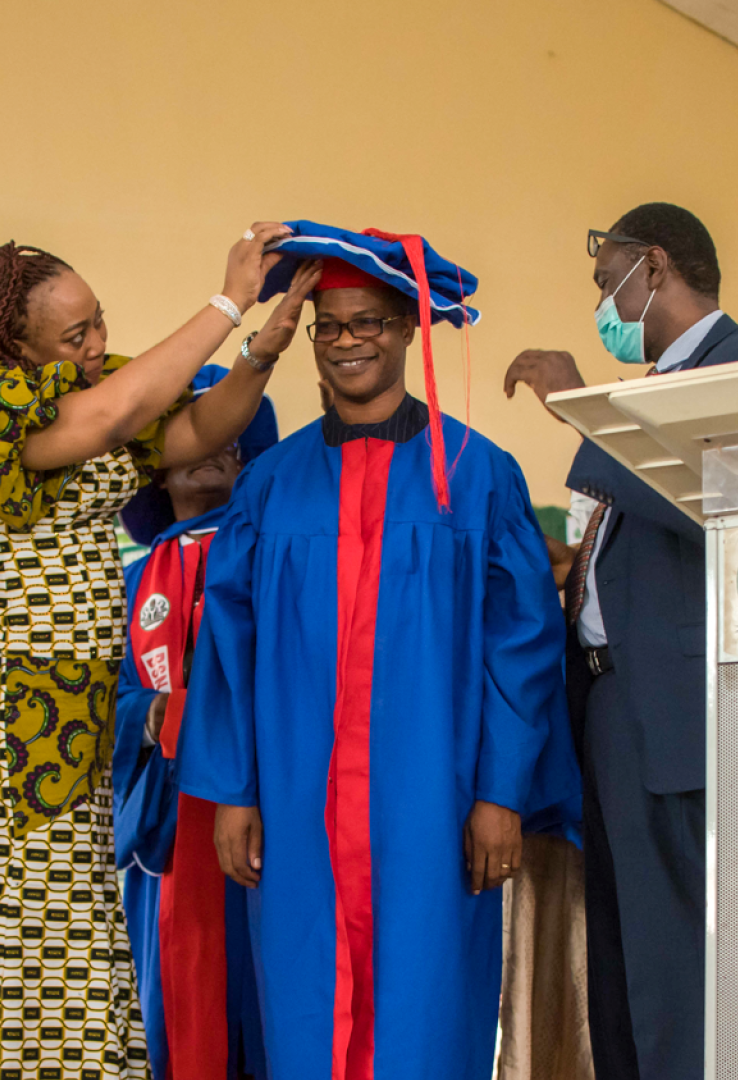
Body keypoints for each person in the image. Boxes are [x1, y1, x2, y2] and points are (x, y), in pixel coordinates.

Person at [0, 226, 316, 1079]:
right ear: (10, 344)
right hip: (10, 698)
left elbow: (197, 427)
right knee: (42, 920)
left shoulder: (86, 397)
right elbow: (120, 411)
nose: (97, 345)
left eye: (99, 324)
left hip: (70, 700)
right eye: (74, 334)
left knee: (64, 916)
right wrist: (228, 302)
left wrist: (261, 354)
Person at [178, 223, 581, 1080]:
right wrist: (233, 791)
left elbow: (523, 646)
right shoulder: (270, 485)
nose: (349, 341)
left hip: (430, 804)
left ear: (406, 329)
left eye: (368, 323)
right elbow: (228, 646)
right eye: (332, 326)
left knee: (426, 1014)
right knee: (301, 1007)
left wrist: (500, 793)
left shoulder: (478, 474)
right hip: (295, 800)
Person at [501, 202, 738, 1080]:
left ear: (652, 267)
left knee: (672, 964)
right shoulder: (654, 387)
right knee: (618, 965)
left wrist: (586, 406)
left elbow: (717, 507)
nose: (601, 306)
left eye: (604, 283)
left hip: (674, 710)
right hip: (609, 703)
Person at [112, 365, 278, 1080]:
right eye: (194, 427)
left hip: (263, 816)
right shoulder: (126, 580)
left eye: (232, 430)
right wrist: (152, 714)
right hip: (166, 828)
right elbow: (101, 705)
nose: (214, 445)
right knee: (172, 1015)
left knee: (264, 1007)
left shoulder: (277, 557)